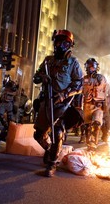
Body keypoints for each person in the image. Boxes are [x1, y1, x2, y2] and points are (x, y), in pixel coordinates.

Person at [33, 29, 83, 177]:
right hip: (46, 101)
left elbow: (79, 84)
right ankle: (50, 150)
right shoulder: (48, 60)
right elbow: (36, 77)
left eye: (64, 42)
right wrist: (43, 76)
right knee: (39, 134)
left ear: (69, 45)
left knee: (58, 132)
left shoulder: (73, 62)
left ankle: (52, 164)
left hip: (62, 103)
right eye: (58, 42)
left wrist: (64, 95)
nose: (60, 45)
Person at [81, 58, 110, 149]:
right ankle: (88, 142)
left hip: (98, 105)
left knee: (97, 124)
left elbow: (107, 93)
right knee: (87, 126)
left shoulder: (101, 78)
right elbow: (79, 91)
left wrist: (106, 106)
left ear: (96, 68)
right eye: (88, 67)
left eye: (92, 67)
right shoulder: (83, 79)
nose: (90, 69)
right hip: (86, 106)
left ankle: (94, 143)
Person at [0, 74, 18, 141]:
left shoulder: (12, 85)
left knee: (11, 121)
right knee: (0, 115)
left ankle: (5, 137)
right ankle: (5, 131)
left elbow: (15, 93)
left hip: (9, 104)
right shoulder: (4, 88)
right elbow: (1, 96)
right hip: (3, 103)